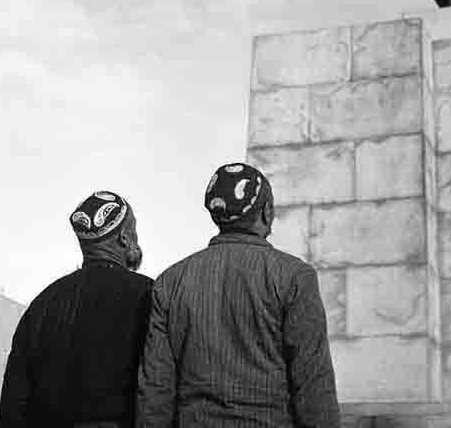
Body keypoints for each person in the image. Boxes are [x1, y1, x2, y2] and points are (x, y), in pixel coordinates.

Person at [136, 163, 340, 428]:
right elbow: (313, 383)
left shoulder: (171, 281)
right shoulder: (294, 277)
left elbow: (155, 388)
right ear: (266, 212)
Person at [0, 191, 153, 428]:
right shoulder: (150, 295)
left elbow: (15, 400)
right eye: (134, 229)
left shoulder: (44, 303)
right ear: (124, 237)